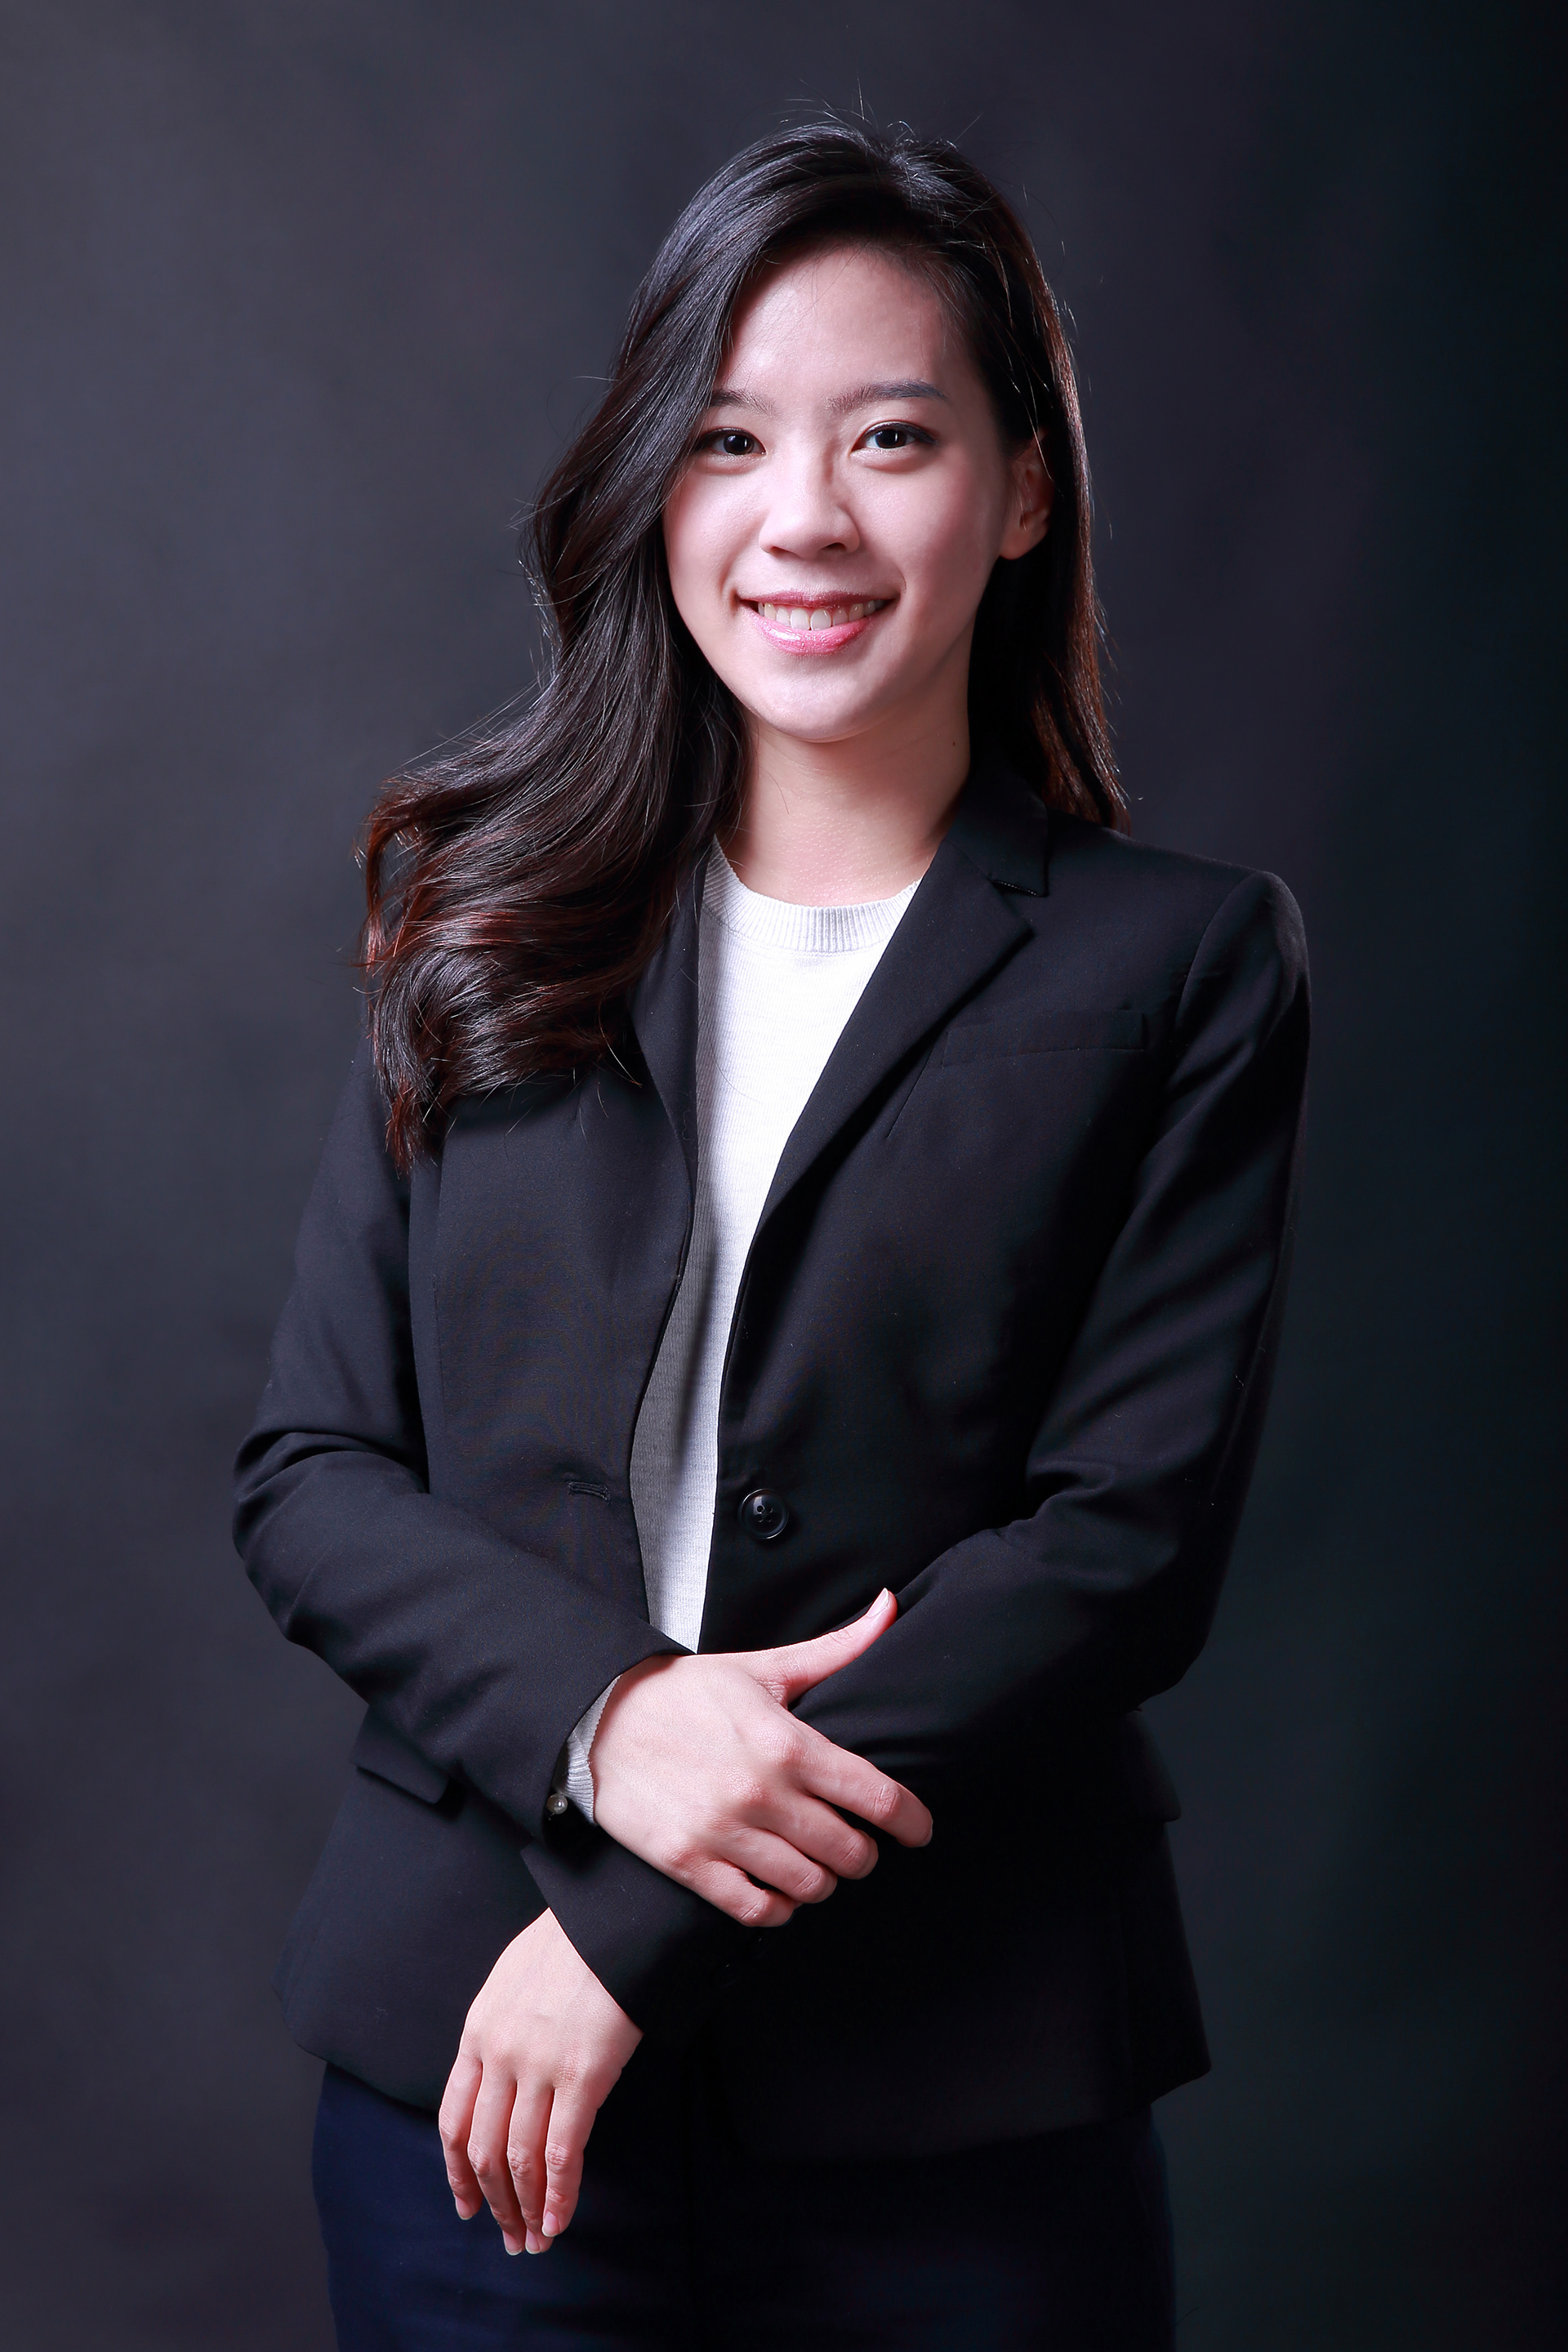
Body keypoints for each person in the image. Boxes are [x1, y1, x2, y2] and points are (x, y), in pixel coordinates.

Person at [234, 122, 1309, 2351]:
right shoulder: (482, 926)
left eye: (890, 437)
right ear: (658, 486)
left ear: (1022, 489)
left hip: (958, 2098)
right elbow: (314, 1476)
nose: (801, 514)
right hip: (473, 2097)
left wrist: (627, 1937)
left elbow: (1118, 1550)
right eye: (728, 439)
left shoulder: (1184, 968)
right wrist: (610, 1717)